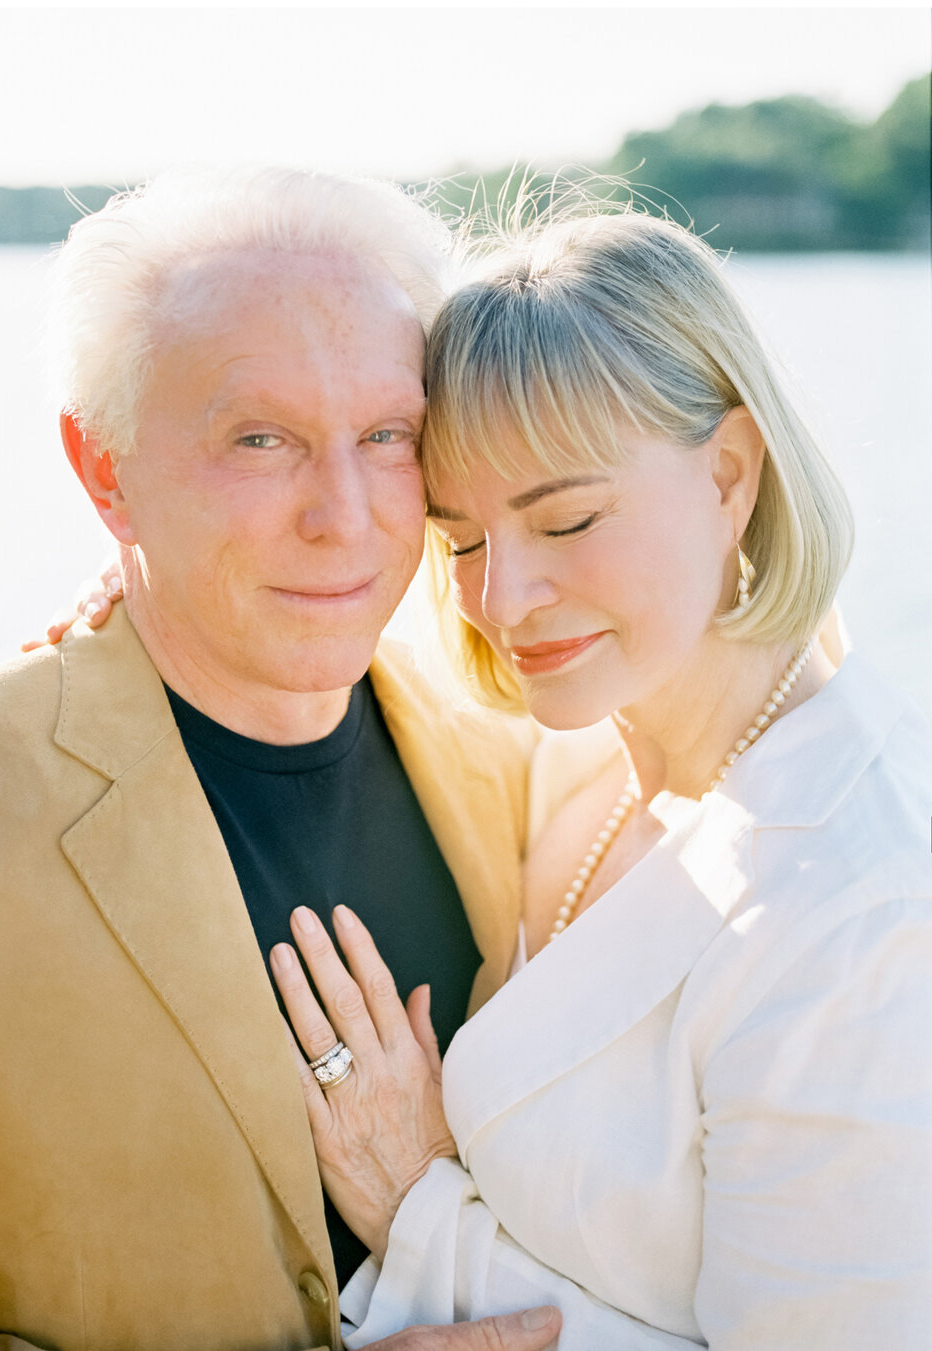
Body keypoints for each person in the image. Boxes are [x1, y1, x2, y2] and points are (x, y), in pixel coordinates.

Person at [265, 207, 932, 1348]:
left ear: (729, 473)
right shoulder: (582, 732)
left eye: (565, 521)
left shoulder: (861, 912)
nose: (500, 600)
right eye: (461, 541)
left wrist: (417, 1208)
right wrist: (154, 607)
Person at [0, 168, 563, 1351]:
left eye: (387, 436)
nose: (344, 513)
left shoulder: (525, 754)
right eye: (259, 438)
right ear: (103, 467)